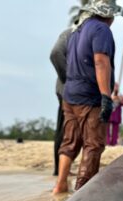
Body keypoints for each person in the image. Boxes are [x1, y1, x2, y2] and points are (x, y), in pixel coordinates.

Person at [52, 0, 123, 194]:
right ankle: (83, 194)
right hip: (89, 96)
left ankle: (60, 184)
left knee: (70, 142)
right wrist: (105, 96)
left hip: (70, 95)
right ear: (109, 15)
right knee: (93, 145)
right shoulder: (102, 30)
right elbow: (101, 62)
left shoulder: (77, 30)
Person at [50, 28, 72, 176]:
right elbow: (55, 53)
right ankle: (59, 170)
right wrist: (69, 77)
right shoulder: (69, 34)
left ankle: (62, 170)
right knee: (64, 129)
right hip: (67, 88)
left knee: (67, 129)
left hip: (69, 89)